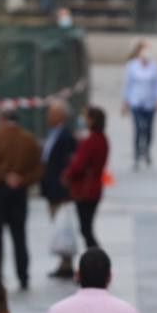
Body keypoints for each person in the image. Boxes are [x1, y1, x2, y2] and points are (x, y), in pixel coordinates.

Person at [0, 111, 43, 292]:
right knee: (19, 237)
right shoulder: (29, 140)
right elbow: (38, 169)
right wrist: (21, 179)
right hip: (19, 194)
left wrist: (4, 177)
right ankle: (23, 276)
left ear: (3, 120)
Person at [40, 101, 78, 279]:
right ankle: (63, 262)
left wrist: (66, 187)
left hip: (60, 189)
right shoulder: (52, 134)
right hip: (51, 187)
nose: (48, 117)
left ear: (61, 116)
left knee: (63, 226)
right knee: (57, 225)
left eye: (52, 113)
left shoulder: (65, 137)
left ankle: (67, 261)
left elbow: (68, 162)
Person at [63, 107, 109, 253]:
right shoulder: (102, 140)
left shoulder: (90, 141)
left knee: (85, 228)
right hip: (94, 188)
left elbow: (79, 165)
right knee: (86, 227)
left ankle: (96, 257)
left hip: (85, 190)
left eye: (87, 118)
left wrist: (67, 174)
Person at [120, 41, 157, 169]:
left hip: (150, 102)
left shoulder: (154, 66)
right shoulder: (132, 66)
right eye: (144, 50)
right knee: (139, 129)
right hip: (136, 101)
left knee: (149, 130)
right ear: (138, 52)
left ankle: (147, 150)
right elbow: (127, 84)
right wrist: (125, 101)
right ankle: (137, 155)